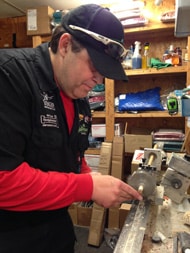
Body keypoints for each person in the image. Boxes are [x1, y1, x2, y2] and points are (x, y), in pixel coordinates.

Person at [0, 4, 142, 253]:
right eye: (94, 67)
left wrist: (90, 177)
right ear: (65, 45)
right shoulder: (9, 76)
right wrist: (87, 187)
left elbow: (72, 157)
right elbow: (4, 180)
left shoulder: (79, 100)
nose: (99, 80)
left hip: (56, 230)